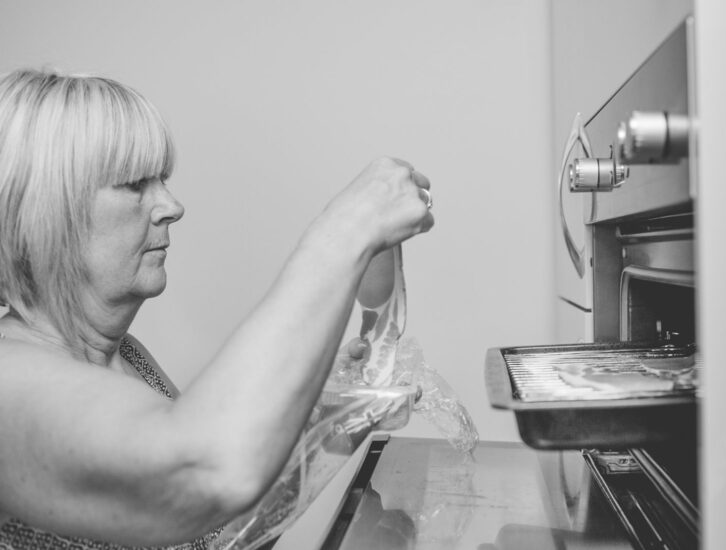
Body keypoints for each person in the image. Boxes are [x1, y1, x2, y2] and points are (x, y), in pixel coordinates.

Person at [0, 68, 434, 548]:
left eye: (161, 179)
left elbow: (207, 532)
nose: (171, 205)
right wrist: (346, 229)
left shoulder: (128, 359)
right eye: (133, 184)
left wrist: (326, 421)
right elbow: (207, 471)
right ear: (43, 215)